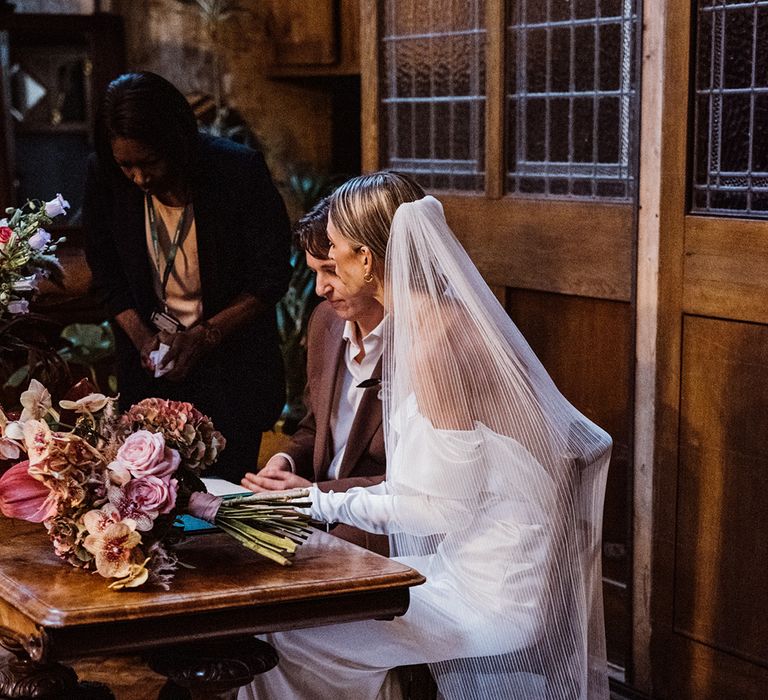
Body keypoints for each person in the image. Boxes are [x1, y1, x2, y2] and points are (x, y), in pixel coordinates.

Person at [241, 171, 612, 700]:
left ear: (367, 259)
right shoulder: (432, 324)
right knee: (285, 615)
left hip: (487, 595)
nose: (323, 281)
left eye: (336, 254)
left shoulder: (439, 343)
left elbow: (437, 511)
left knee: (288, 639)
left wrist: (314, 501)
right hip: (456, 564)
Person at [83, 72, 291, 482]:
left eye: (150, 162)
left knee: (225, 503)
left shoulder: (236, 171)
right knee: (146, 503)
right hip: (150, 375)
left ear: (176, 142)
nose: (140, 178)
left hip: (232, 372)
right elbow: (106, 276)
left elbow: (269, 277)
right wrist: (145, 340)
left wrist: (205, 336)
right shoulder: (105, 175)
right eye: (127, 166)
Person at [241, 198, 388, 555]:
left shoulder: (424, 341)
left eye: (331, 270)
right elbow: (313, 426)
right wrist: (283, 463)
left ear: (370, 263)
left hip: (381, 529)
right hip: (310, 510)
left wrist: (313, 495)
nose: (321, 288)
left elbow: (424, 485)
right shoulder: (326, 321)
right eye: (314, 272)